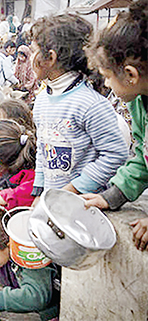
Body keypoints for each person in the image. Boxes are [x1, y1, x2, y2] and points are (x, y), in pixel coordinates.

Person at [29, 14, 128, 198]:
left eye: (33, 50)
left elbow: (115, 155)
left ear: (50, 58)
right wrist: (39, 190)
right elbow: (43, 150)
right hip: (54, 200)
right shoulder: (42, 100)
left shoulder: (90, 104)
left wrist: (73, 189)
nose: (29, 57)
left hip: (82, 203)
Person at [80, 0, 148, 251]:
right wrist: (112, 197)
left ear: (131, 75)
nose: (106, 85)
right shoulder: (139, 104)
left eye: (108, 77)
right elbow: (143, 156)